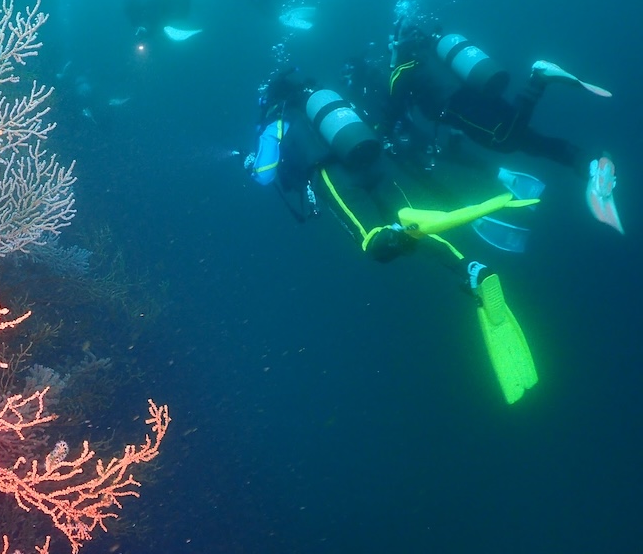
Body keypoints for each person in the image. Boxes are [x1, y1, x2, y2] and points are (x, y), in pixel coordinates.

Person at [244, 68, 539, 404]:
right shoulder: (328, 101)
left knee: (372, 241)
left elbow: (265, 175)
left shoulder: (278, 120)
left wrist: (252, 163)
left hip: (334, 174)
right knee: (417, 224)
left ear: (272, 99)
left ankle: (399, 231)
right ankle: (472, 269)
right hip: (373, 161)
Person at [386, 24, 623, 233]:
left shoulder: (401, 71)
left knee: (505, 141)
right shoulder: (434, 54)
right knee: (531, 142)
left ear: (398, 45)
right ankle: (588, 164)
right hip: (479, 92)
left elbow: (395, 112)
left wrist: (391, 135)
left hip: (458, 107)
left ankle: (538, 79)